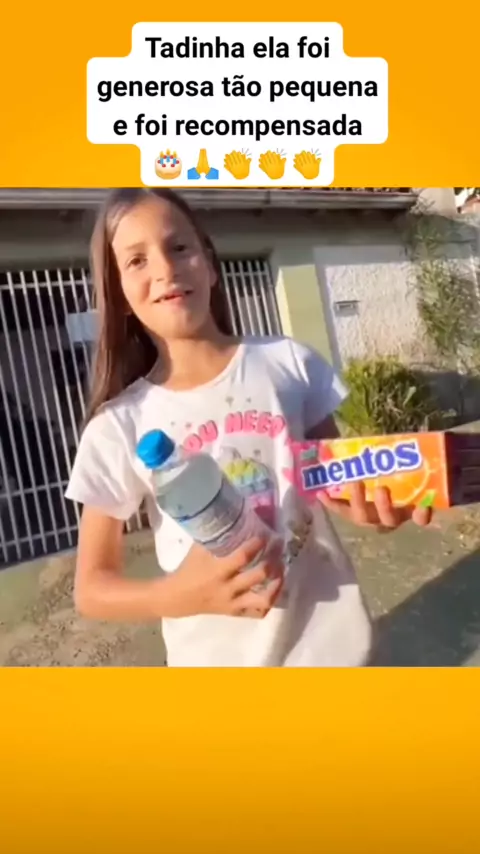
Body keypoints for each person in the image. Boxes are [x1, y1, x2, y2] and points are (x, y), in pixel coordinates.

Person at [66, 188, 431, 667]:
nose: (165, 268)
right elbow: (91, 589)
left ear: (209, 264)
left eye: (179, 246)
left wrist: (376, 511)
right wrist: (177, 595)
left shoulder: (290, 364)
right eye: (137, 260)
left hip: (336, 654)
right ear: (119, 297)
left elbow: (339, 486)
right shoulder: (118, 426)